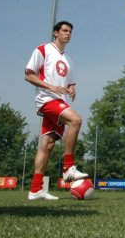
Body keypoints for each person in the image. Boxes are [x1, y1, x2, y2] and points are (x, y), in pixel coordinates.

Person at [25, 21, 88, 200]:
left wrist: (72, 88)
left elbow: (70, 81)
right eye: (64, 31)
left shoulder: (69, 59)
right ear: (55, 33)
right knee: (75, 120)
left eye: (70, 32)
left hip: (59, 101)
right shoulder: (43, 50)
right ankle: (68, 168)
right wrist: (49, 86)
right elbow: (28, 74)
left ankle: (36, 189)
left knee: (47, 145)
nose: (68, 34)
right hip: (46, 99)